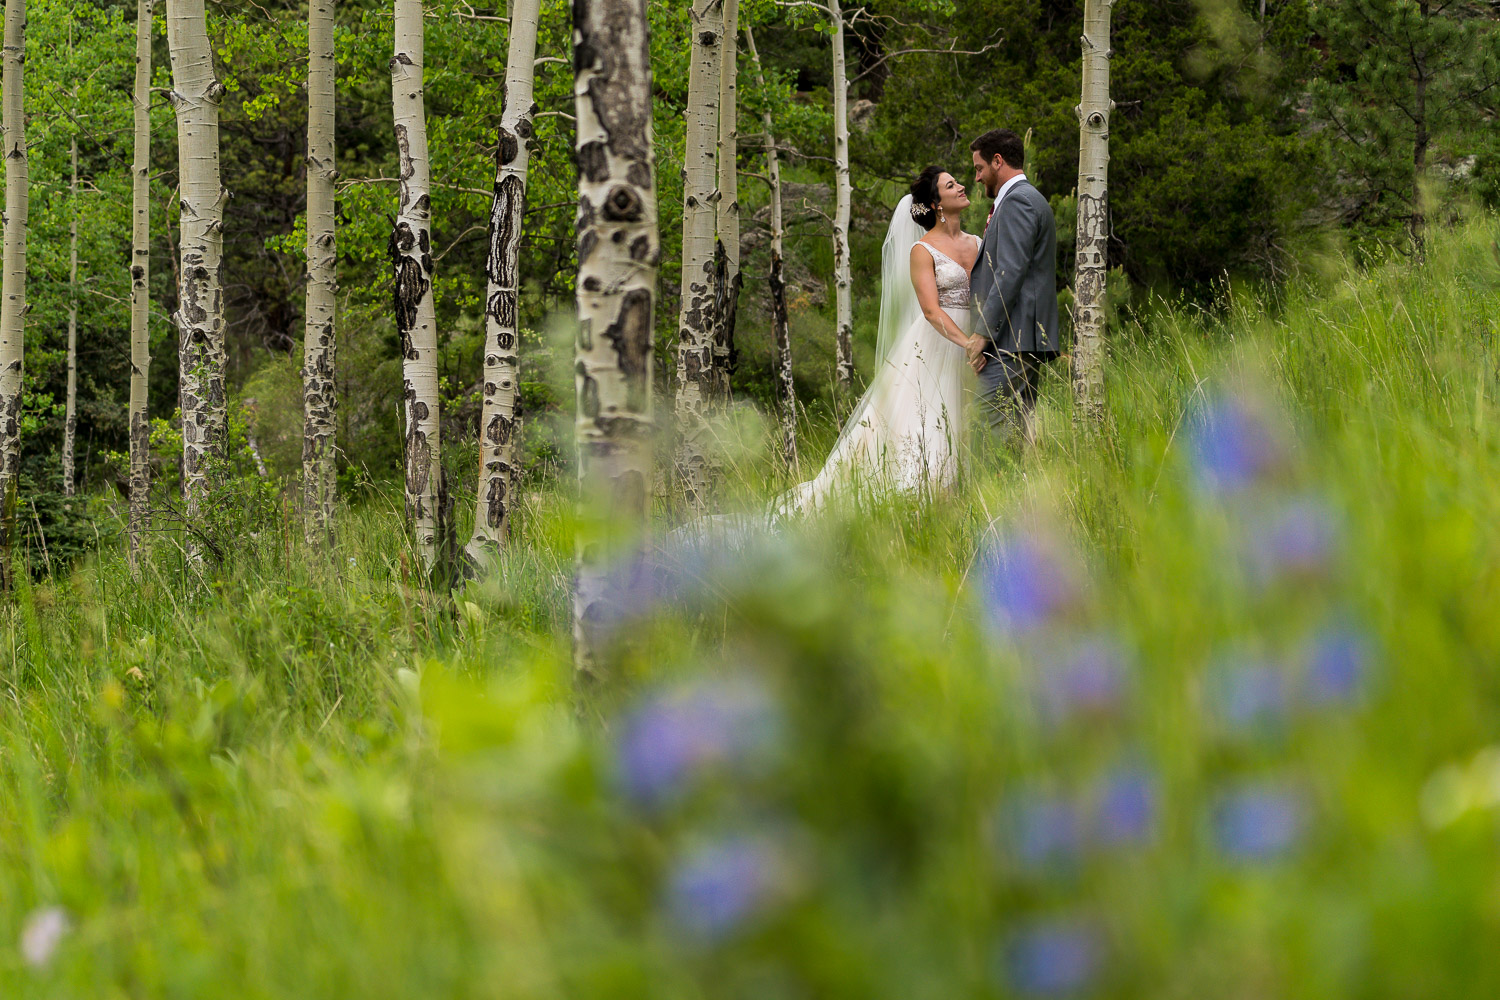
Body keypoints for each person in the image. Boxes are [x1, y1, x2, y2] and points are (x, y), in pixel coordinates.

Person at [781, 166, 990, 512]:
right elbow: (931, 310)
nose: (963, 186)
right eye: (952, 185)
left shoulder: (979, 243)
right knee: (933, 423)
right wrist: (966, 341)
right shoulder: (922, 251)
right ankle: (925, 501)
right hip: (940, 344)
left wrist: (983, 338)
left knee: (971, 424)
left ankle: (971, 499)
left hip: (979, 344)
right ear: (937, 203)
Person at [969, 128, 1060, 446]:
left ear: (998, 161)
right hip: (1019, 339)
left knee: (988, 431)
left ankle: (993, 495)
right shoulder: (1026, 199)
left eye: (980, 168)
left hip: (1011, 340)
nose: (977, 178)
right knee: (1015, 434)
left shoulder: (1018, 202)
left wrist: (982, 334)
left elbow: (1008, 273)